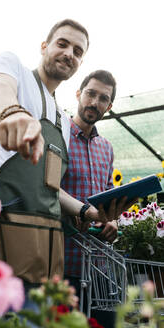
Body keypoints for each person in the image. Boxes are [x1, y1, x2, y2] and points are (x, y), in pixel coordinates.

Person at [0, 20, 126, 295]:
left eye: (77, 51)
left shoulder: (62, 120)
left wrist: (88, 211)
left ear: (79, 63)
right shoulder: (13, 68)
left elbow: (48, 186)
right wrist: (13, 112)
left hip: (30, 232)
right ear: (44, 46)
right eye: (62, 43)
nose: (69, 53)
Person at [61, 70, 132, 300]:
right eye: (90, 94)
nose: (94, 102)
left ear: (109, 106)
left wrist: (111, 220)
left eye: (103, 98)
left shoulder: (106, 148)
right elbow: (46, 188)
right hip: (63, 260)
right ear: (78, 94)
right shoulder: (59, 137)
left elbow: (109, 195)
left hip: (99, 263)